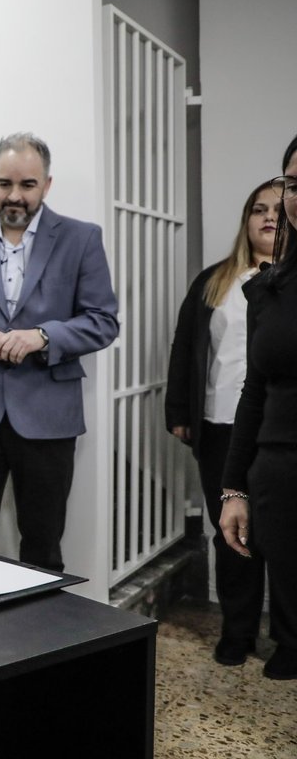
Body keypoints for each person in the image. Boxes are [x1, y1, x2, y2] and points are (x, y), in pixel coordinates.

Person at [0, 132, 119, 572]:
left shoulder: (82, 238)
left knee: (43, 542)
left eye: (28, 185)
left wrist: (43, 337)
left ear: (46, 185)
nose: (15, 195)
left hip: (49, 417)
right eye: (5, 184)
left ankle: (41, 618)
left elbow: (103, 321)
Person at [165, 180, 278, 666]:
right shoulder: (214, 281)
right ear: (245, 219)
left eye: (278, 210)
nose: (269, 217)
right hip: (220, 427)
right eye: (258, 209)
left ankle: (289, 639)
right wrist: (178, 411)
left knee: (283, 535)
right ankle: (237, 633)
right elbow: (185, 347)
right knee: (231, 533)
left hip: (280, 431)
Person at [220, 135, 297, 681]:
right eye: (293, 184)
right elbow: (254, 391)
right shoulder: (270, 288)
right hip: (281, 472)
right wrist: (234, 488)